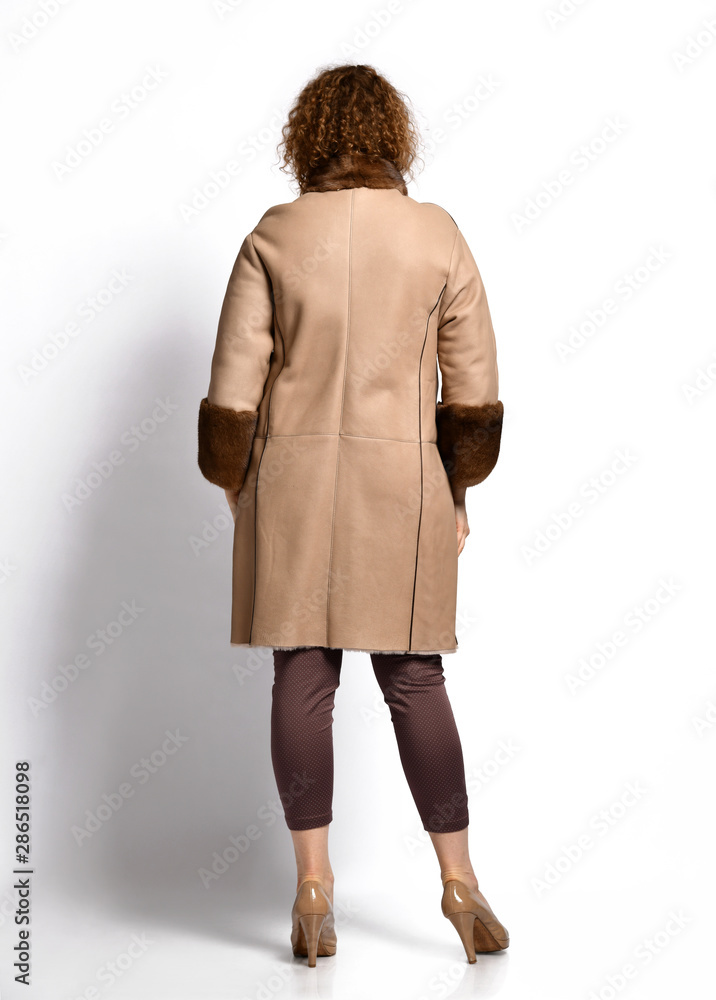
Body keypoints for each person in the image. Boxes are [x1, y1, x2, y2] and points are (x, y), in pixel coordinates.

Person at [197, 63, 508, 966]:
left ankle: (312, 890)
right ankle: (459, 883)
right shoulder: (436, 235)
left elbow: (233, 389)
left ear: (308, 139)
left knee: (301, 675)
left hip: (291, 485)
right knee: (415, 680)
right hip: (403, 486)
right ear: (393, 137)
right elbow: (472, 391)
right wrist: (458, 489)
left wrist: (234, 482)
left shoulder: (274, 235)